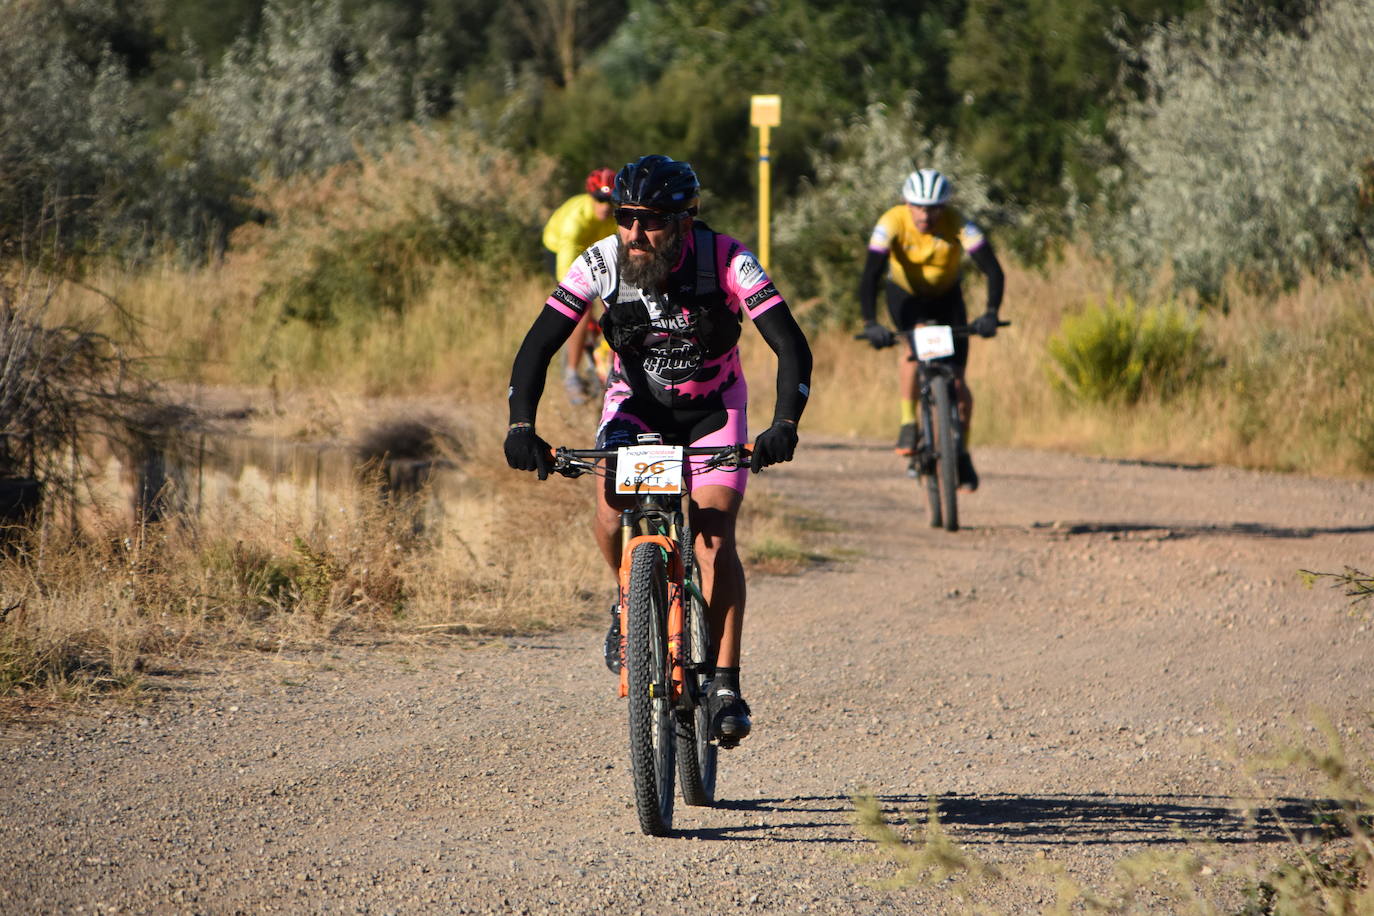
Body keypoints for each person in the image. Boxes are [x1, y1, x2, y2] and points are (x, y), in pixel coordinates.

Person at [506, 154, 813, 747]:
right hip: (636, 407)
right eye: (625, 218)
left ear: (684, 221)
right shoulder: (600, 262)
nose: (635, 234)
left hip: (712, 411)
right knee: (608, 504)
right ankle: (627, 603)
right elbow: (536, 346)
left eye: (650, 221)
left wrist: (784, 423)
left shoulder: (729, 260)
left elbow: (790, 345)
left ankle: (725, 682)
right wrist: (521, 425)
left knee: (714, 537)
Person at [857, 168, 1005, 491]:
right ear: (907, 204)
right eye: (919, 207)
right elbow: (870, 275)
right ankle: (908, 422)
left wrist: (991, 313)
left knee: (958, 380)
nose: (926, 214)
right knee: (914, 345)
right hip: (906, 297)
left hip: (947, 298)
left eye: (935, 207)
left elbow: (993, 269)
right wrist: (870, 324)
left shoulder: (959, 223)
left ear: (944, 206)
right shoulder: (890, 223)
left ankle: (961, 452)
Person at [542, 168, 618, 403]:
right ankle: (571, 375)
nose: (605, 206)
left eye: (610, 201)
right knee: (581, 310)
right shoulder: (575, 221)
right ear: (590, 197)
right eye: (599, 200)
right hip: (562, 249)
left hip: (595, 251)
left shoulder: (616, 217)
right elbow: (568, 282)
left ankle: (605, 359)